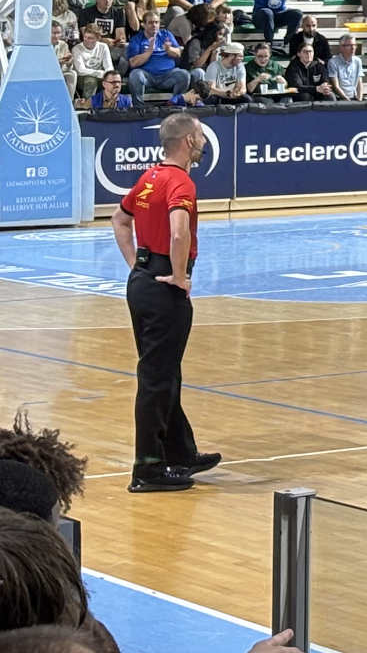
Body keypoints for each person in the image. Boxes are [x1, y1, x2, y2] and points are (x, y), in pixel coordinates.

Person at [108, 114, 218, 492]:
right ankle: (147, 469)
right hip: (164, 287)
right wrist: (179, 275)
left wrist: (136, 265)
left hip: (142, 281)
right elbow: (179, 232)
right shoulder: (180, 182)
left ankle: (180, 452)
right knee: (156, 379)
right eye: (200, 135)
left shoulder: (149, 177)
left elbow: (119, 219)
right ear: (188, 141)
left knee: (166, 372)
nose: (203, 141)